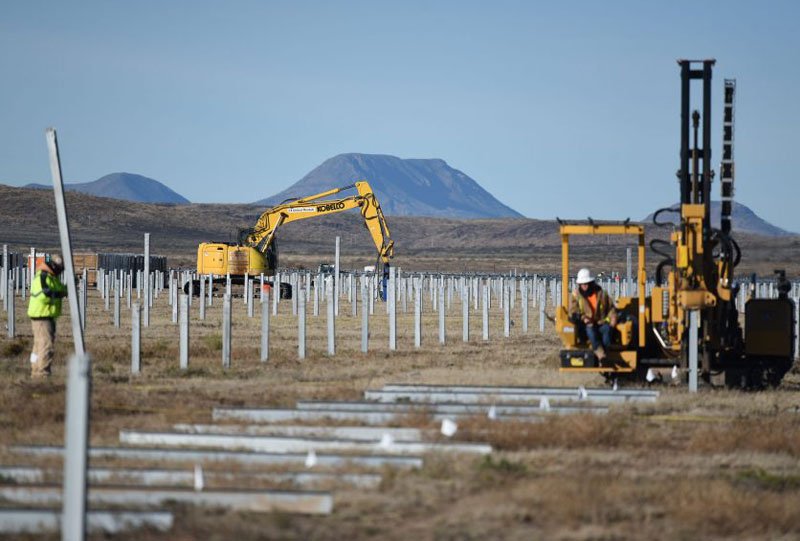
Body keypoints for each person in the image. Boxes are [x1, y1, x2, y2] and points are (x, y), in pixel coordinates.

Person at [27, 254, 67, 378]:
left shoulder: (51, 277)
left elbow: (60, 289)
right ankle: (42, 374)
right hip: (42, 316)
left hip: (46, 315)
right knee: (45, 345)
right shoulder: (43, 276)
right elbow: (45, 293)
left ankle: (35, 371)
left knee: (38, 345)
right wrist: (59, 294)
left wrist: (67, 288)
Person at [569, 267, 616, 363]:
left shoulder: (601, 294)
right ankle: (600, 354)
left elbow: (610, 308)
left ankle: (605, 353)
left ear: (591, 283)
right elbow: (574, 310)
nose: (584, 286)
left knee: (607, 331)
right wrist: (583, 318)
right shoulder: (576, 295)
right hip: (586, 324)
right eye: (582, 284)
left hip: (601, 322)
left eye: (586, 283)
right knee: (590, 331)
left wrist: (612, 319)